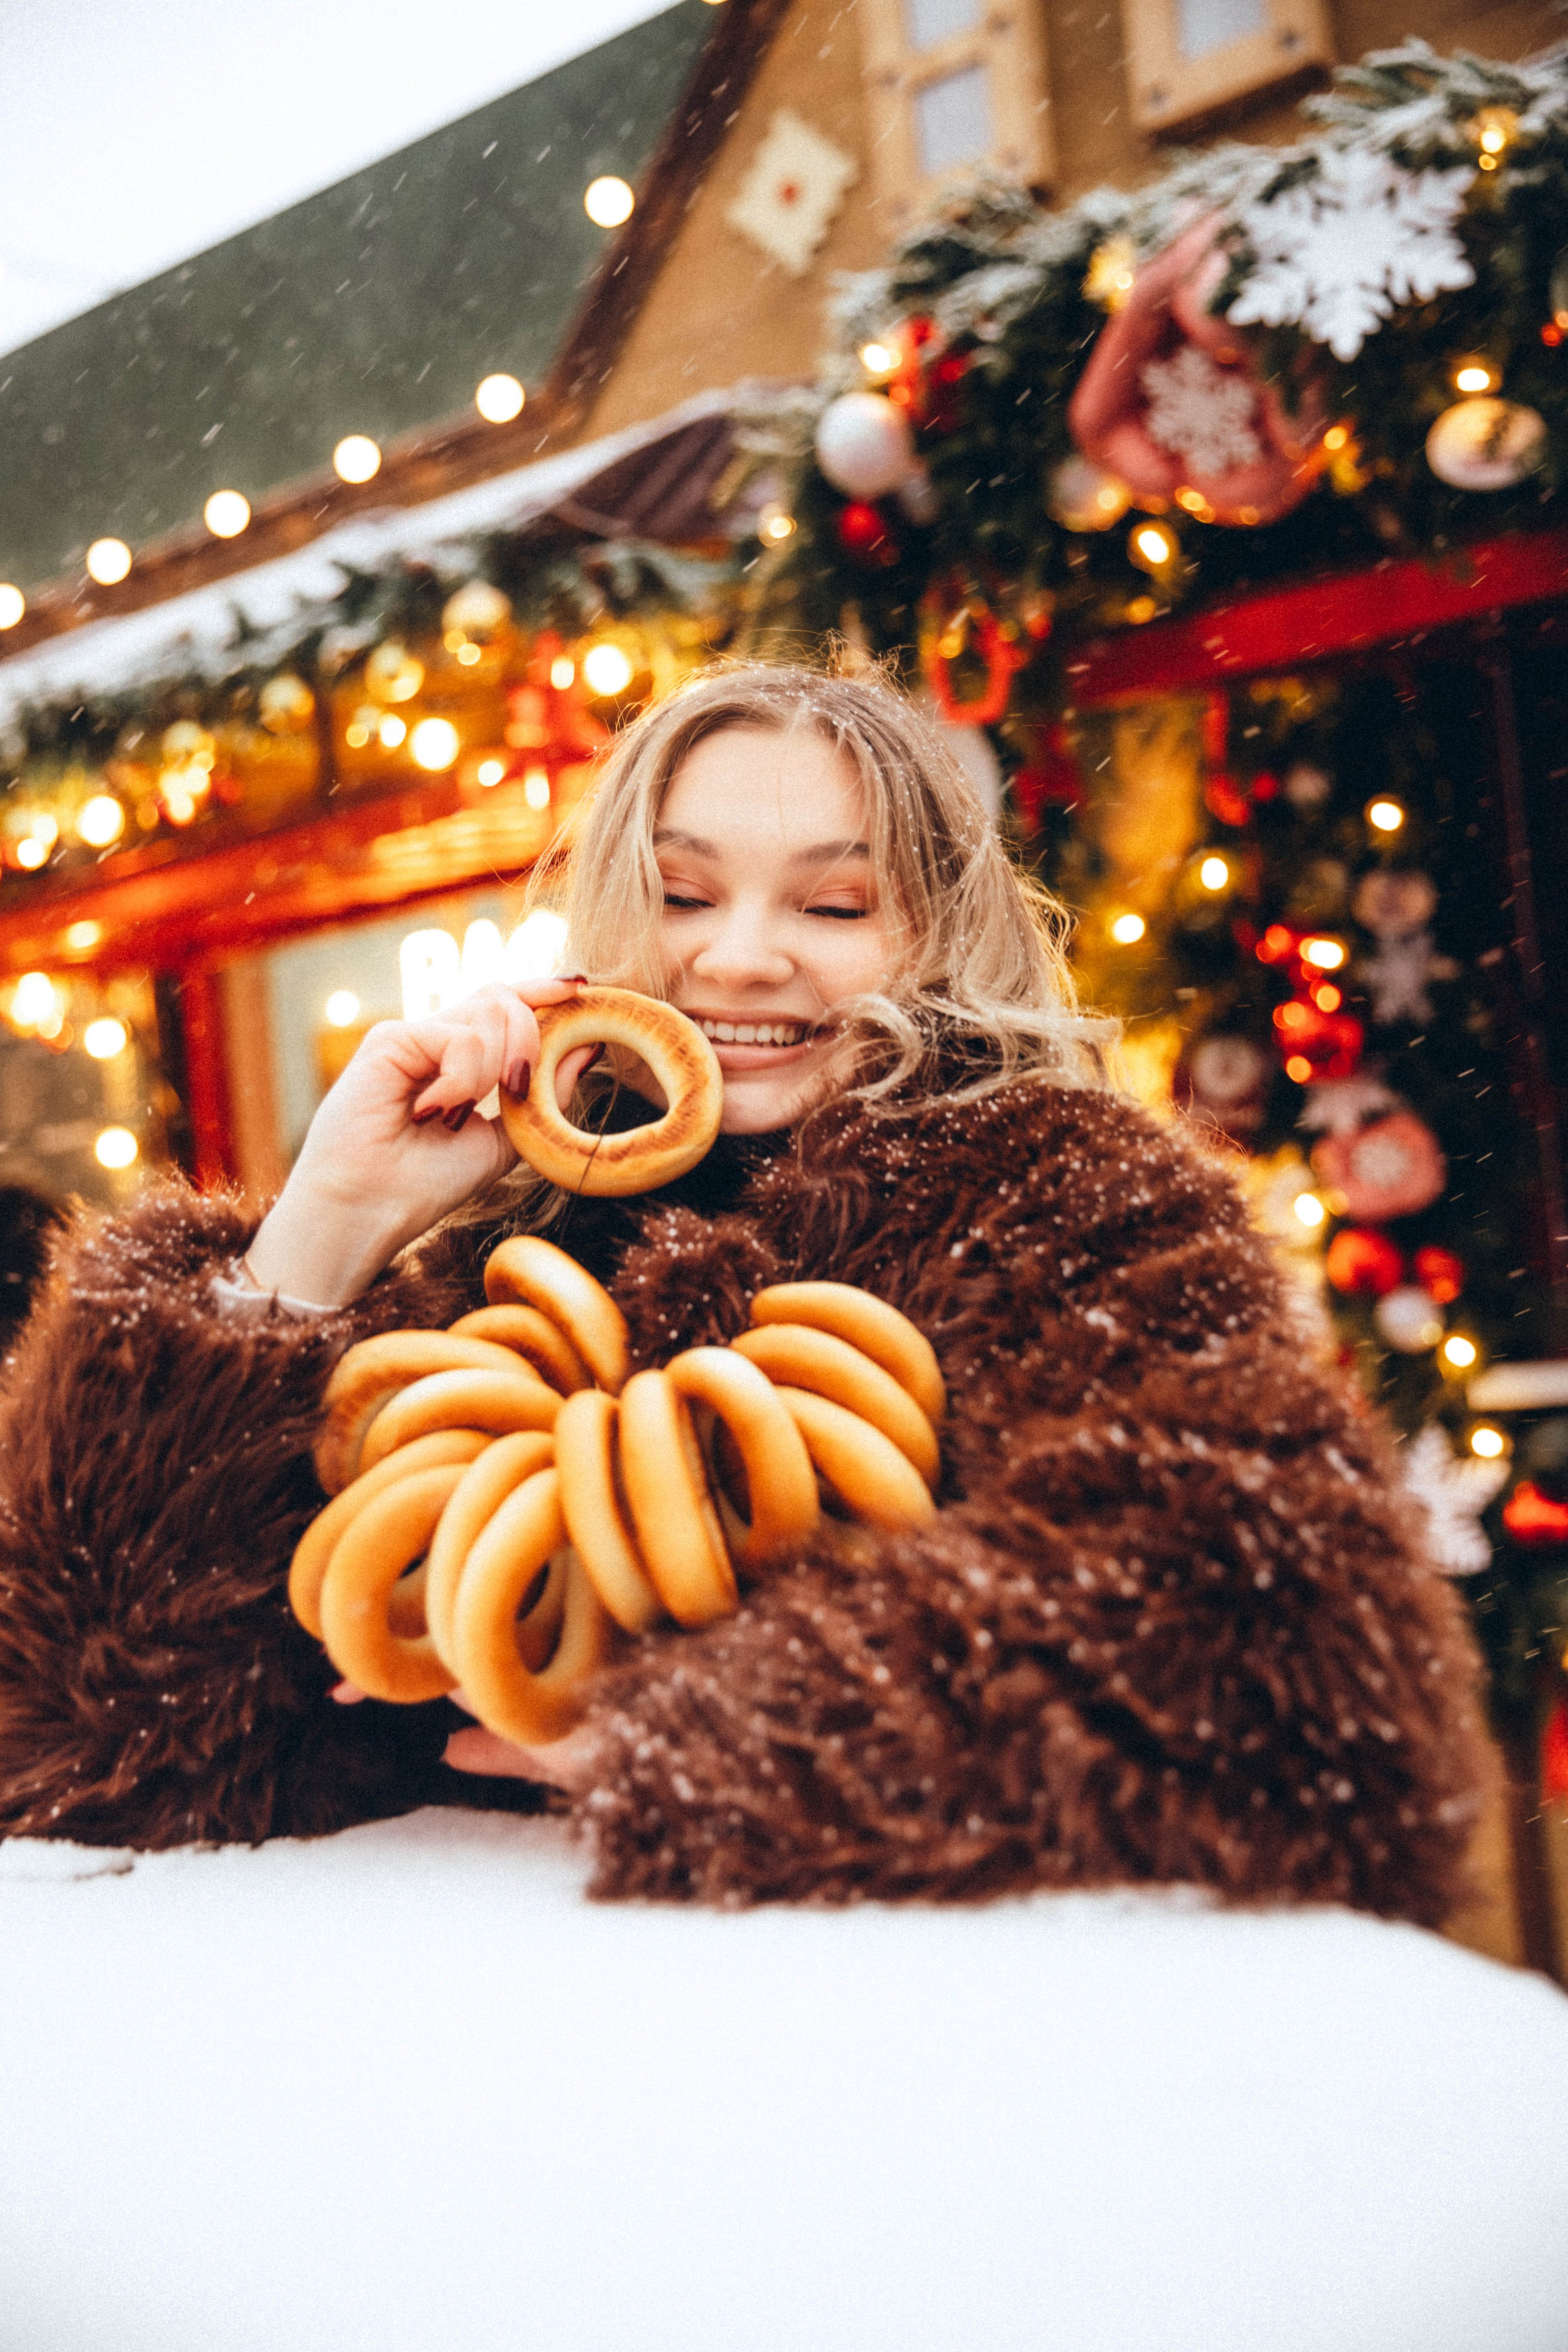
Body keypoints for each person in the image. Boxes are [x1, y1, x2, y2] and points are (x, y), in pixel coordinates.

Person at [0, 665, 1488, 1914]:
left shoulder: (1068, 1204)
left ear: (937, 935)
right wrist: (322, 1230)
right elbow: (103, 1734)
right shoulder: (490, 1252)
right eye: (679, 891)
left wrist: (715, 1729)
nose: (743, 956)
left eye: (836, 907)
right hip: (508, 2104)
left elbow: (1298, 1675)